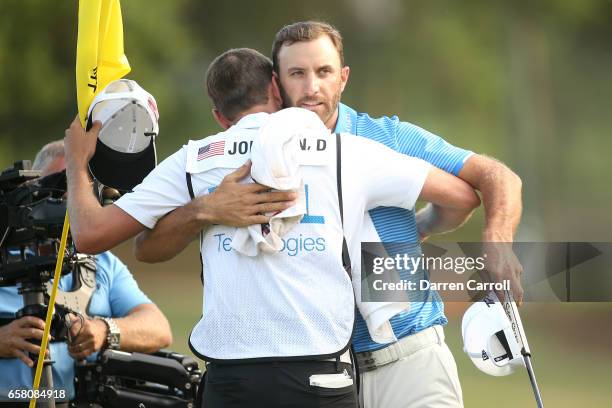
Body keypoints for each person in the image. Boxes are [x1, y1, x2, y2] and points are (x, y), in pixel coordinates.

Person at [134, 21, 524, 408]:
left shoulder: (383, 136)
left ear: (343, 78)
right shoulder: (259, 153)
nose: (311, 87)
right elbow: (151, 244)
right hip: (318, 375)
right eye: (297, 74)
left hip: (407, 359)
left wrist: (485, 241)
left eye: (324, 72)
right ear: (276, 84)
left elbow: (494, 178)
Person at [0, 140, 172, 406]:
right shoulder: (5, 252)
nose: (67, 201)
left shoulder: (100, 261)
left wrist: (104, 330)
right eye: (58, 188)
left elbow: (158, 328)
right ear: (28, 190)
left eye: (78, 188)